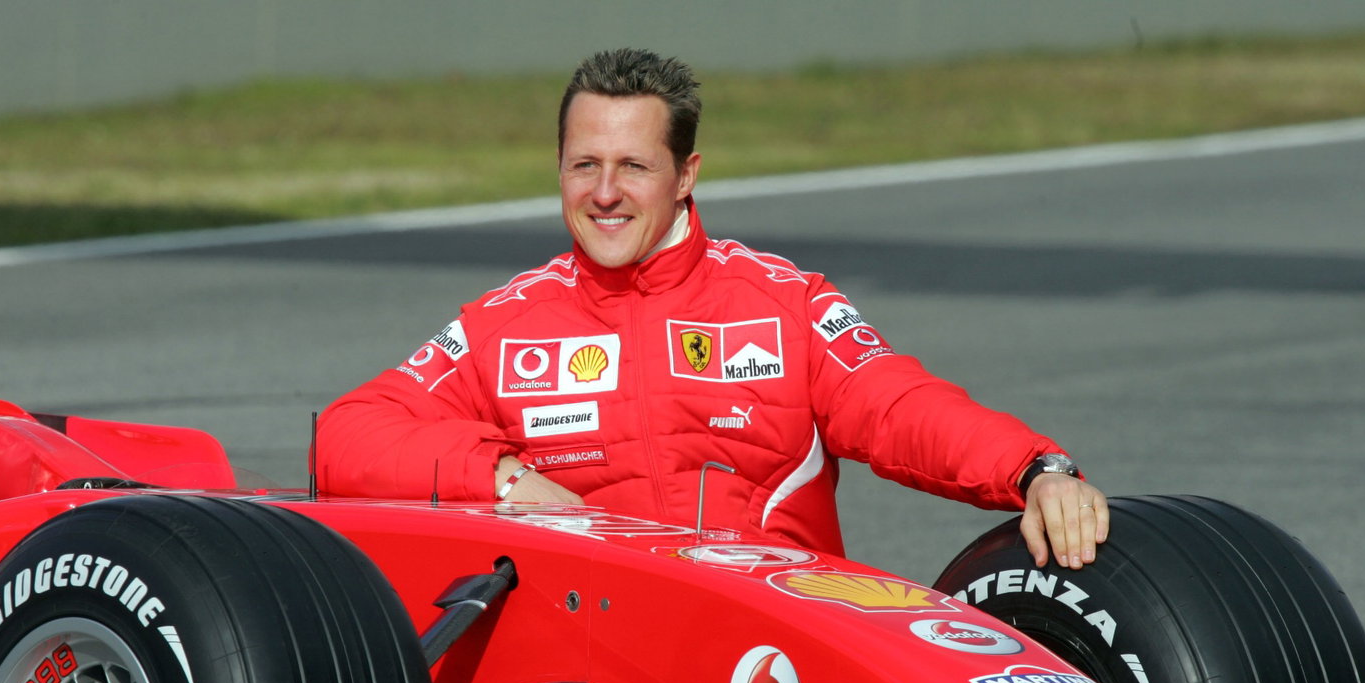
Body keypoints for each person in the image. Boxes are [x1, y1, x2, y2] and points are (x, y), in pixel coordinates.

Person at [316, 48, 1108, 569]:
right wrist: (501, 478)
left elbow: (900, 405)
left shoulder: (783, 302)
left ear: (686, 175)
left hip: (778, 666)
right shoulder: (503, 325)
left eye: (633, 166)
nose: (604, 193)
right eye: (584, 165)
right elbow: (345, 436)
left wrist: (1034, 469)